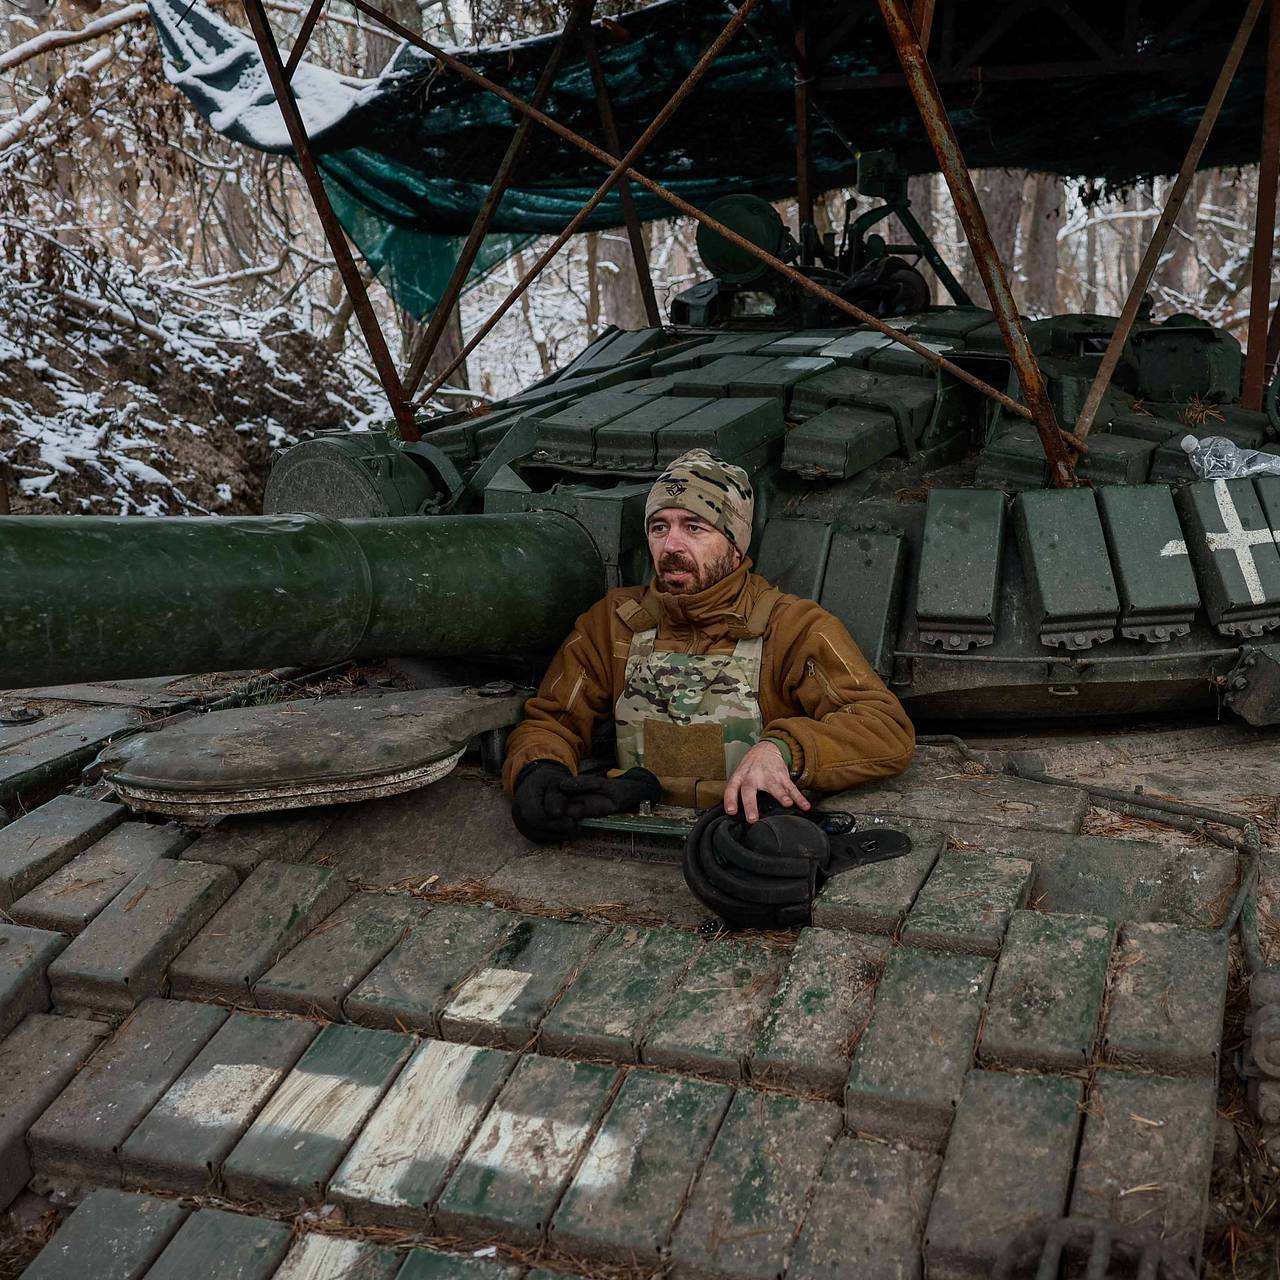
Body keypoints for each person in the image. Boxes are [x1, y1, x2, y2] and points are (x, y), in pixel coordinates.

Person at [503, 448, 915, 842]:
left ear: (735, 546)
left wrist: (783, 749)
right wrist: (539, 770)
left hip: (744, 839)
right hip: (631, 834)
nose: (672, 546)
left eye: (694, 527)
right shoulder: (612, 623)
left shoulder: (793, 627)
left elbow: (883, 727)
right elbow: (552, 721)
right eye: (659, 526)